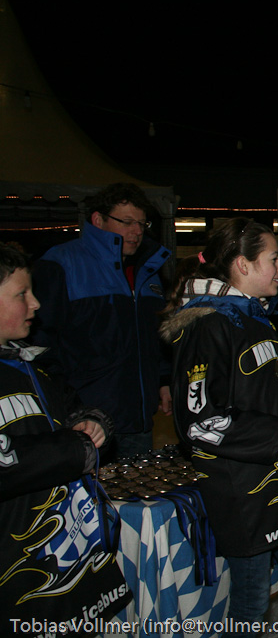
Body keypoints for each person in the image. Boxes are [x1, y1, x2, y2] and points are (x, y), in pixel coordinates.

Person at [160, 218, 278, 635]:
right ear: (243, 264)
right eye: (273, 258)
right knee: (252, 599)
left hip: (275, 479)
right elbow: (200, 421)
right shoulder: (209, 323)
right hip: (240, 489)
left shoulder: (252, 315)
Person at [1, 244, 132, 627]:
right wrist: (76, 448)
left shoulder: (27, 364)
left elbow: (73, 408)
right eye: (22, 294)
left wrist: (94, 423)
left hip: (59, 556)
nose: (36, 303)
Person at [31, 182, 171, 458]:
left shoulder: (147, 269)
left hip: (137, 417)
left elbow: (155, 334)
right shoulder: (62, 264)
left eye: (142, 224)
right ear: (98, 220)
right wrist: (67, 406)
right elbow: (40, 345)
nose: (137, 231)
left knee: (133, 484)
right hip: (86, 418)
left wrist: (163, 379)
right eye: (127, 222)